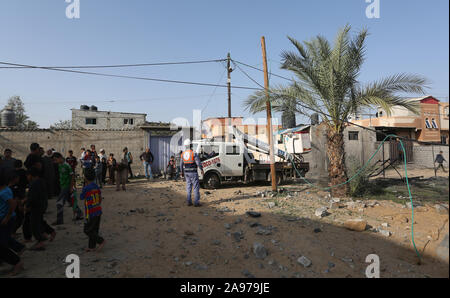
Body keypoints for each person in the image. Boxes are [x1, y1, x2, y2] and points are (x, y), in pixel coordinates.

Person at [0, 171, 24, 275]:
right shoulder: (5, 189)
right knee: (5, 240)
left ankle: (17, 262)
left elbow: (13, 203)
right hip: (5, 218)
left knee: (1, 244)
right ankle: (19, 248)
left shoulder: (4, 191)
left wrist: (7, 216)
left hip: (6, 219)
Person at [80, 168, 105, 252]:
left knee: (87, 230)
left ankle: (101, 241)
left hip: (90, 213)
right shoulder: (96, 186)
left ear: (85, 177)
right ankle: (91, 246)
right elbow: (100, 198)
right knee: (94, 230)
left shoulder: (86, 188)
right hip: (98, 210)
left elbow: (81, 197)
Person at [180, 139, 204, 207]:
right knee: (196, 187)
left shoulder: (183, 154)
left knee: (188, 187)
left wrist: (181, 172)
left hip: (186, 173)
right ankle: (196, 202)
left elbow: (181, 164)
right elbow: (198, 162)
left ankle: (189, 202)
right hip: (193, 172)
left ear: (185, 146)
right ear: (191, 145)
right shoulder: (193, 153)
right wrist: (201, 169)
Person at [52, 152, 74, 225]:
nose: (55, 162)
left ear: (60, 157)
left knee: (59, 203)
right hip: (62, 186)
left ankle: (59, 219)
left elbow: (72, 176)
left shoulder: (66, 165)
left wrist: (71, 187)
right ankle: (79, 214)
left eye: (56, 160)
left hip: (66, 186)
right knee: (71, 201)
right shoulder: (59, 165)